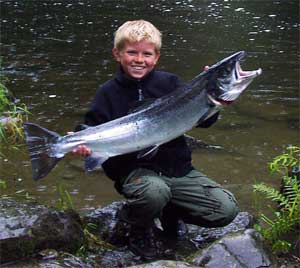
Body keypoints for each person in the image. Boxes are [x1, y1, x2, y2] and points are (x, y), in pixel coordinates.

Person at [72, 20, 239, 259]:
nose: (139, 59)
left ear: (156, 57)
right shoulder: (107, 92)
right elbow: (91, 126)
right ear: (117, 54)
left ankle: (170, 212)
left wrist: (209, 97)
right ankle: (136, 227)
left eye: (146, 54)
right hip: (135, 172)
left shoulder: (171, 83)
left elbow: (204, 121)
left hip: (178, 170)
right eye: (131, 52)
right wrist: (82, 144)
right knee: (153, 192)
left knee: (226, 210)